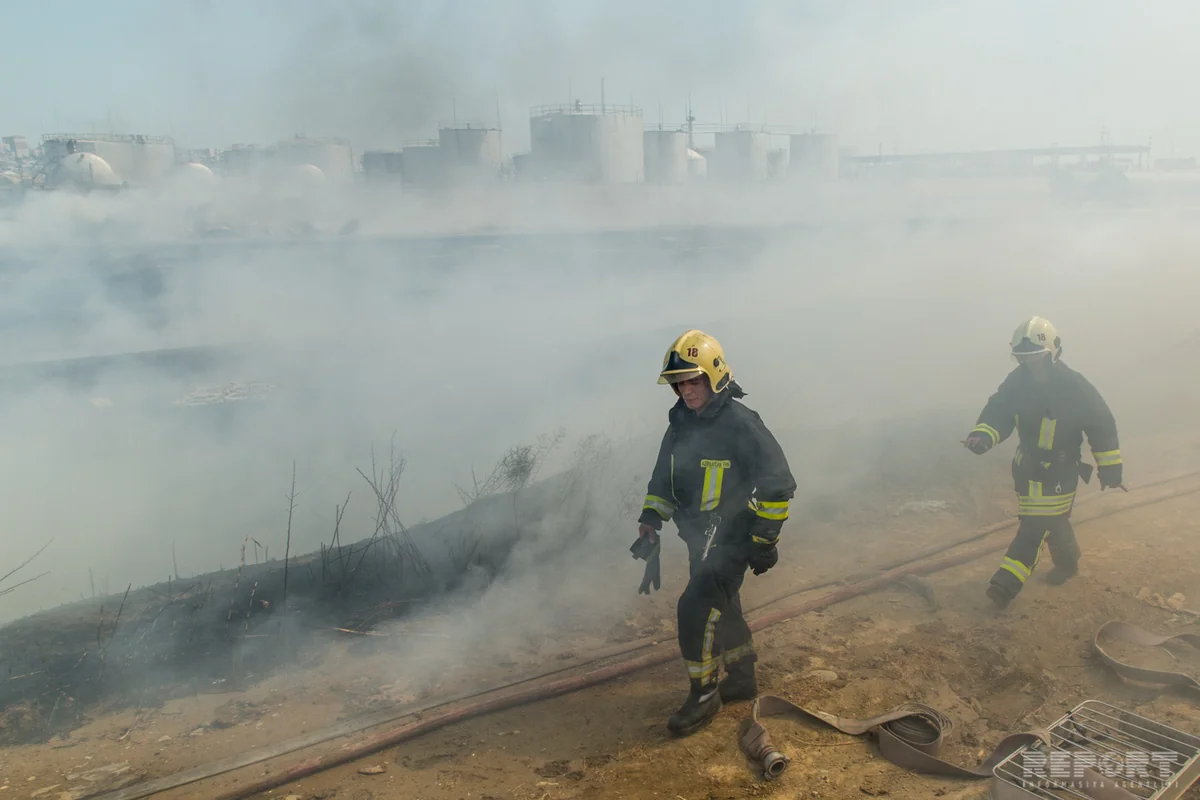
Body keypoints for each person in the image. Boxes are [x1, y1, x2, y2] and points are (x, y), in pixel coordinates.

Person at [633, 329, 796, 736]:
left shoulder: (742, 424)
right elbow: (665, 478)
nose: (686, 391)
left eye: (693, 381)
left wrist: (764, 542)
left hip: (732, 538)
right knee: (724, 606)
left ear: (715, 376)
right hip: (697, 538)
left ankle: (704, 696)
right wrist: (651, 520)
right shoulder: (681, 423)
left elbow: (778, 484)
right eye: (679, 383)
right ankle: (741, 677)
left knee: (694, 610)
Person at [964, 317, 1125, 610]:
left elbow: (1101, 423)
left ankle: (1005, 584)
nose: (1030, 365)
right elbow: (998, 412)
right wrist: (982, 436)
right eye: (1024, 359)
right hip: (1026, 468)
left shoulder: (1074, 385)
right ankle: (1068, 561)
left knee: (1035, 526)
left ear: (1052, 353)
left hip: (1062, 470)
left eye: (1036, 358)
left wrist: (1110, 466)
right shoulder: (1015, 383)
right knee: (1054, 520)